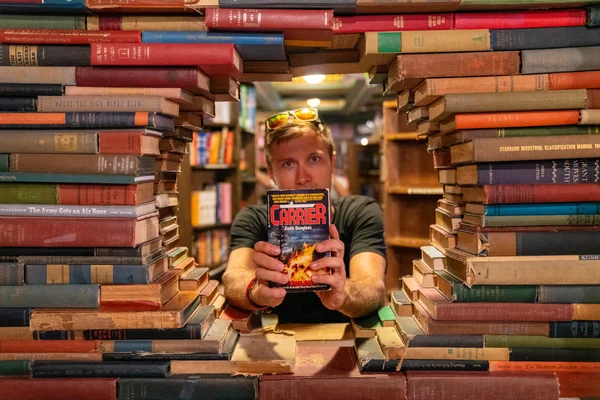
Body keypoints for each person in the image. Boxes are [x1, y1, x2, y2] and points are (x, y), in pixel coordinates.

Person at [223, 108, 386, 323]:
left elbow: (373, 287)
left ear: (332, 162)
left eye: (314, 159)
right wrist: (256, 291)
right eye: (288, 164)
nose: (303, 178)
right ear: (271, 172)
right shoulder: (253, 218)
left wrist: (343, 296)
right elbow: (232, 276)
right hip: (278, 347)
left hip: (348, 343)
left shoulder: (360, 212)